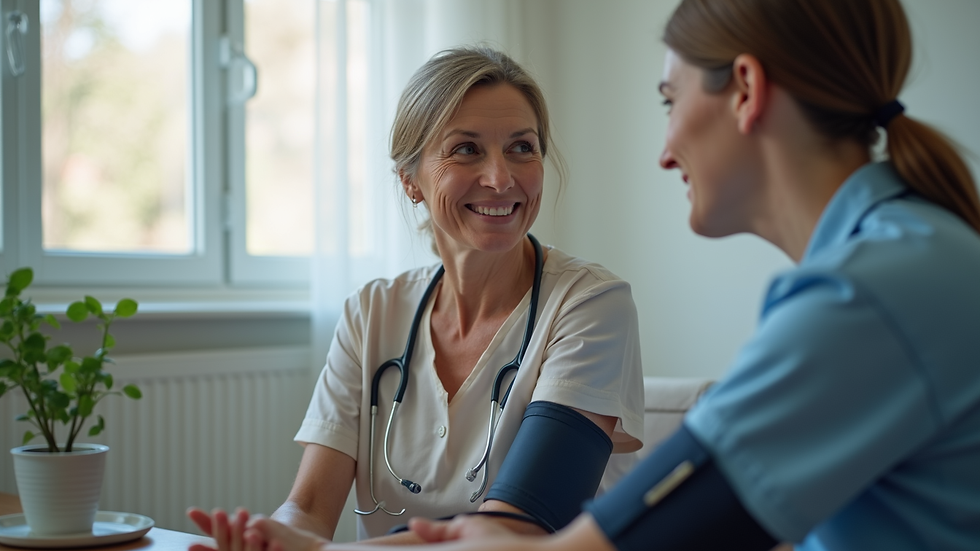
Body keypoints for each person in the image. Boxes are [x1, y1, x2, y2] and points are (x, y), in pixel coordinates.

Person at [232, 0, 980, 549]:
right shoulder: (895, 262)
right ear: (412, 181)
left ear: (746, 90)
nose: (662, 150)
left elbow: (605, 539)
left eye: (669, 99)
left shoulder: (870, 291)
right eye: (465, 151)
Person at [186, 46, 645, 549]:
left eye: (522, 147)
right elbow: (310, 509)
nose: (500, 177)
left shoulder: (590, 305)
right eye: (467, 149)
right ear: (410, 180)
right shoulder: (371, 314)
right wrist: (273, 536)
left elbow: (518, 528)